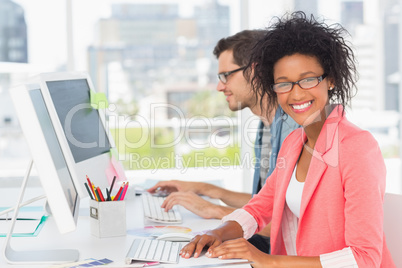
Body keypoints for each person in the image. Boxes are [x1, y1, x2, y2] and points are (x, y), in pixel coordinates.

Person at [179, 12, 396, 267]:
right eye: (284, 84)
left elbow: (364, 257)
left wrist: (269, 261)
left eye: (307, 80)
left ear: (331, 80)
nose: (295, 94)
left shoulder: (357, 148)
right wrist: (216, 233)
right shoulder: (294, 142)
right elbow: (259, 207)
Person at [147, 30, 299, 254]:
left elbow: (287, 223)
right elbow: (264, 204)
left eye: (226, 75)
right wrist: (205, 190)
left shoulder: (293, 131)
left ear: (256, 71)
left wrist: (214, 210)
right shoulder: (266, 126)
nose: (220, 86)